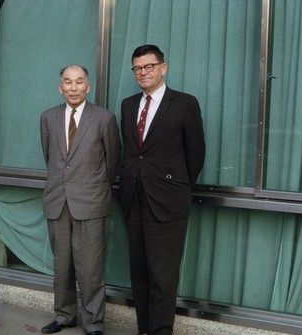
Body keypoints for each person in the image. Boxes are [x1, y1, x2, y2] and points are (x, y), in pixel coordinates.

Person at [119, 45, 206, 335]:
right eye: (137, 68)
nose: (143, 73)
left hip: (167, 203)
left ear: (163, 68)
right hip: (134, 199)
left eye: (149, 66)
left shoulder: (184, 104)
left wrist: (175, 189)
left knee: (163, 275)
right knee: (139, 272)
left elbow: (196, 155)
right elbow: (132, 153)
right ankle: (144, 329)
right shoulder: (128, 105)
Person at [40, 65, 121, 335]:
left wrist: (92, 188)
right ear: (59, 87)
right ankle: (64, 316)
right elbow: (51, 158)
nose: (73, 88)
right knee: (61, 266)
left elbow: (112, 163)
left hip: (92, 202)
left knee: (91, 269)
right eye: (67, 82)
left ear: (88, 86)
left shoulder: (104, 118)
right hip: (58, 202)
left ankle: (94, 323)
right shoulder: (48, 117)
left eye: (79, 82)